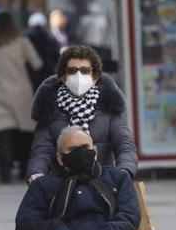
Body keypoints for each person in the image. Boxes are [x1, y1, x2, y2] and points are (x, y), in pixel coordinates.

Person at [27, 45, 137, 184]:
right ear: (63, 76)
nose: (78, 76)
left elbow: (125, 145)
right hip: (62, 187)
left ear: (95, 77)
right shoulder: (49, 111)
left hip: (103, 184)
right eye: (72, 71)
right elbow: (42, 150)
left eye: (85, 71)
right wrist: (36, 172)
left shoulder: (108, 109)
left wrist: (124, 170)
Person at [0, 12, 42, 183]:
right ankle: (24, 167)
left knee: (3, 131)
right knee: (24, 132)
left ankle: (4, 167)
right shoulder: (22, 43)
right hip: (21, 91)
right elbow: (37, 63)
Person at [24, 12, 61, 89]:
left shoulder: (26, 37)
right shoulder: (50, 36)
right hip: (47, 75)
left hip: (31, 76)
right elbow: (56, 56)